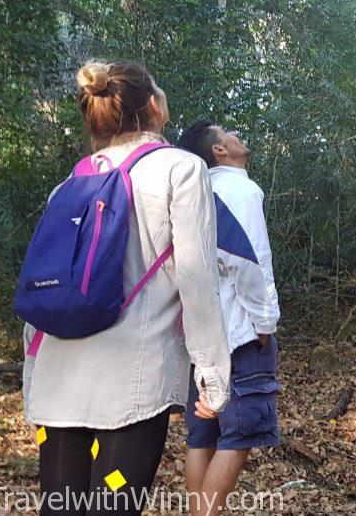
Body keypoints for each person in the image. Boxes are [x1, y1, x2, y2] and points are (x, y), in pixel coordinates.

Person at [22, 61, 231, 516]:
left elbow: (43, 286)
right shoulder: (182, 169)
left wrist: (31, 376)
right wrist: (213, 379)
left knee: (60, 510)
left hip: (57, 379)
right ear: (153, 106)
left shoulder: (69, 184)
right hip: (132, 380)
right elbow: (196, 280)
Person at [178, 121, 280, 516]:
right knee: (239, 435)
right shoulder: (238, 188)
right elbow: (248, 259)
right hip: (239, 334)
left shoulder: (193, 194)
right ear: (219, 150)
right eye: (228, 133)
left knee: (202, 436)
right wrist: (264, 323)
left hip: (199, 335)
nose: (238, 135)